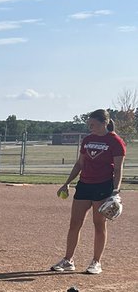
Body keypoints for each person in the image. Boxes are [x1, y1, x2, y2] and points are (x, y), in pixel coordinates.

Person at [50, 108, 126, 275]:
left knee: (99, 225)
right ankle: (68, 260)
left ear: (104, 123)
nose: (90, 126)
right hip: (84, 185)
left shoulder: (115, 141)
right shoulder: (87, 140)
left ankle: (96, 262)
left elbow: (119, 169)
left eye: (93, 124)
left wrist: (115, 191)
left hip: (103, 186)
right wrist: (67, 183)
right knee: (74, 224)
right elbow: (80, 164)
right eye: (89, 124)